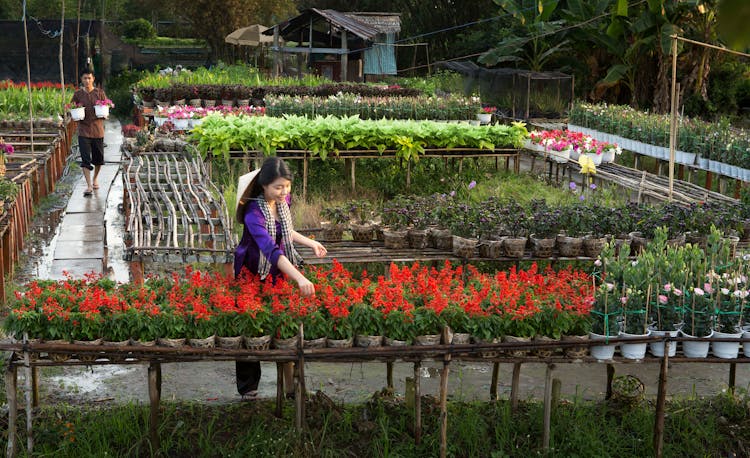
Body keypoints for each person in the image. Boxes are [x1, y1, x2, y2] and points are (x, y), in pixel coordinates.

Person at [234, 156, 327, 398]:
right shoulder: (253, 214)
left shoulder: (282, 202)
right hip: (253, 271)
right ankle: (249, 388)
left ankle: (290, 386)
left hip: (277, 270)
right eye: (278, 186)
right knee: (252, 325)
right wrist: (299, 278)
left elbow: (285, 230)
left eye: (286, 186)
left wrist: (311, 243)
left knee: (284, 321)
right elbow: (270, 249)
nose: (283, 191)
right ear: (263, 185)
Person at [70, 69, 107, 196]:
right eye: (85, 78)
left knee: (98, 159)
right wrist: (73, 114)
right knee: (85, 159)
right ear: (81, 79)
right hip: (83, 130)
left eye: (89, 78)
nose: (87, 80)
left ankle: (95, 178)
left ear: (93, 79)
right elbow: (72, 107)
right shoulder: (78, 94)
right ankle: (89, 185)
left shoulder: (99, 93)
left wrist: (105, 114)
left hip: (97, 130)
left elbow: (105, 107)